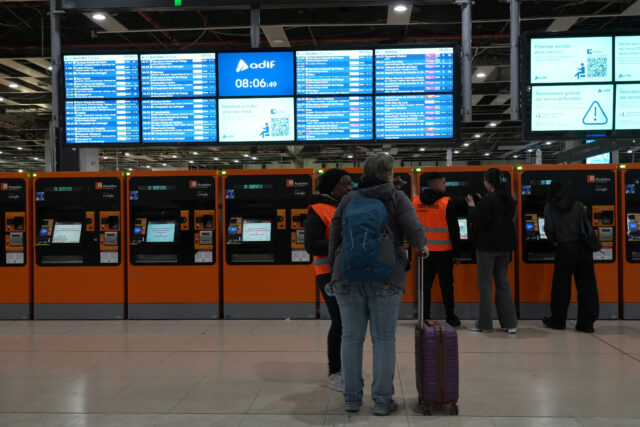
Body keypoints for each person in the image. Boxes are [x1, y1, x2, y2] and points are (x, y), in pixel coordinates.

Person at [327, 152, 429, 416]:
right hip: (385, 276)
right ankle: (383, 401)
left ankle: (351, 399)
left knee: (351, 337)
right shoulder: (396, 197)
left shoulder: (349, 198)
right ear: (388, 174)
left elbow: (334, 236)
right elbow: (413, 229)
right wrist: (421, 245)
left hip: (347, 274)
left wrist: (334, 269)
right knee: (383, 338)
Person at [305, 168, 354, 392]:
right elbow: (311, 245)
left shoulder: (346, 205)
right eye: (344, 183)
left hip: (349, 272)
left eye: (351, 183)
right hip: (328, 274)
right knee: (340, 321)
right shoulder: (318, 209)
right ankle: (335, 372)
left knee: (349, 323)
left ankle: (347, 368)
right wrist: (343, 240)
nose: (349, 187)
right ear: (331, 187)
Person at [465, 168, 518, 334]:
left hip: (487, 247)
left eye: (485, 180)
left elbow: (478, 220)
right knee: (503, 283)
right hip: (505, 247)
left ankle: (485, 324)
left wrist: (472, 206)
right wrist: (483, 204)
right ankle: (510, 324)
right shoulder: (508, 199)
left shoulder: (489, 199)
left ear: (489, 182)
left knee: (485, 286)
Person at [542, 179, 599, 333]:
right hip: (583, 249)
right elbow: (585, 226)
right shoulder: (578, 205)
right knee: (587, 286)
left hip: (565, 249)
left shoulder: (550, 207)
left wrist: (553, 240)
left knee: (561, 287)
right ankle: (586, 323)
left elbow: (549, 229)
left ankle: (558, 320)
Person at [412, 172, 461, 327]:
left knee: (425, 286)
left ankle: (424, 316)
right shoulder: (446, 202)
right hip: (444, 251)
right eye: (444, 183)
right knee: (446, 285)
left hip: (423, 252)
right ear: (436, 184)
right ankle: (450, 316)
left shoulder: (415, 201)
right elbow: (454, 229)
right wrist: (458, 253)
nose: (445, 186)